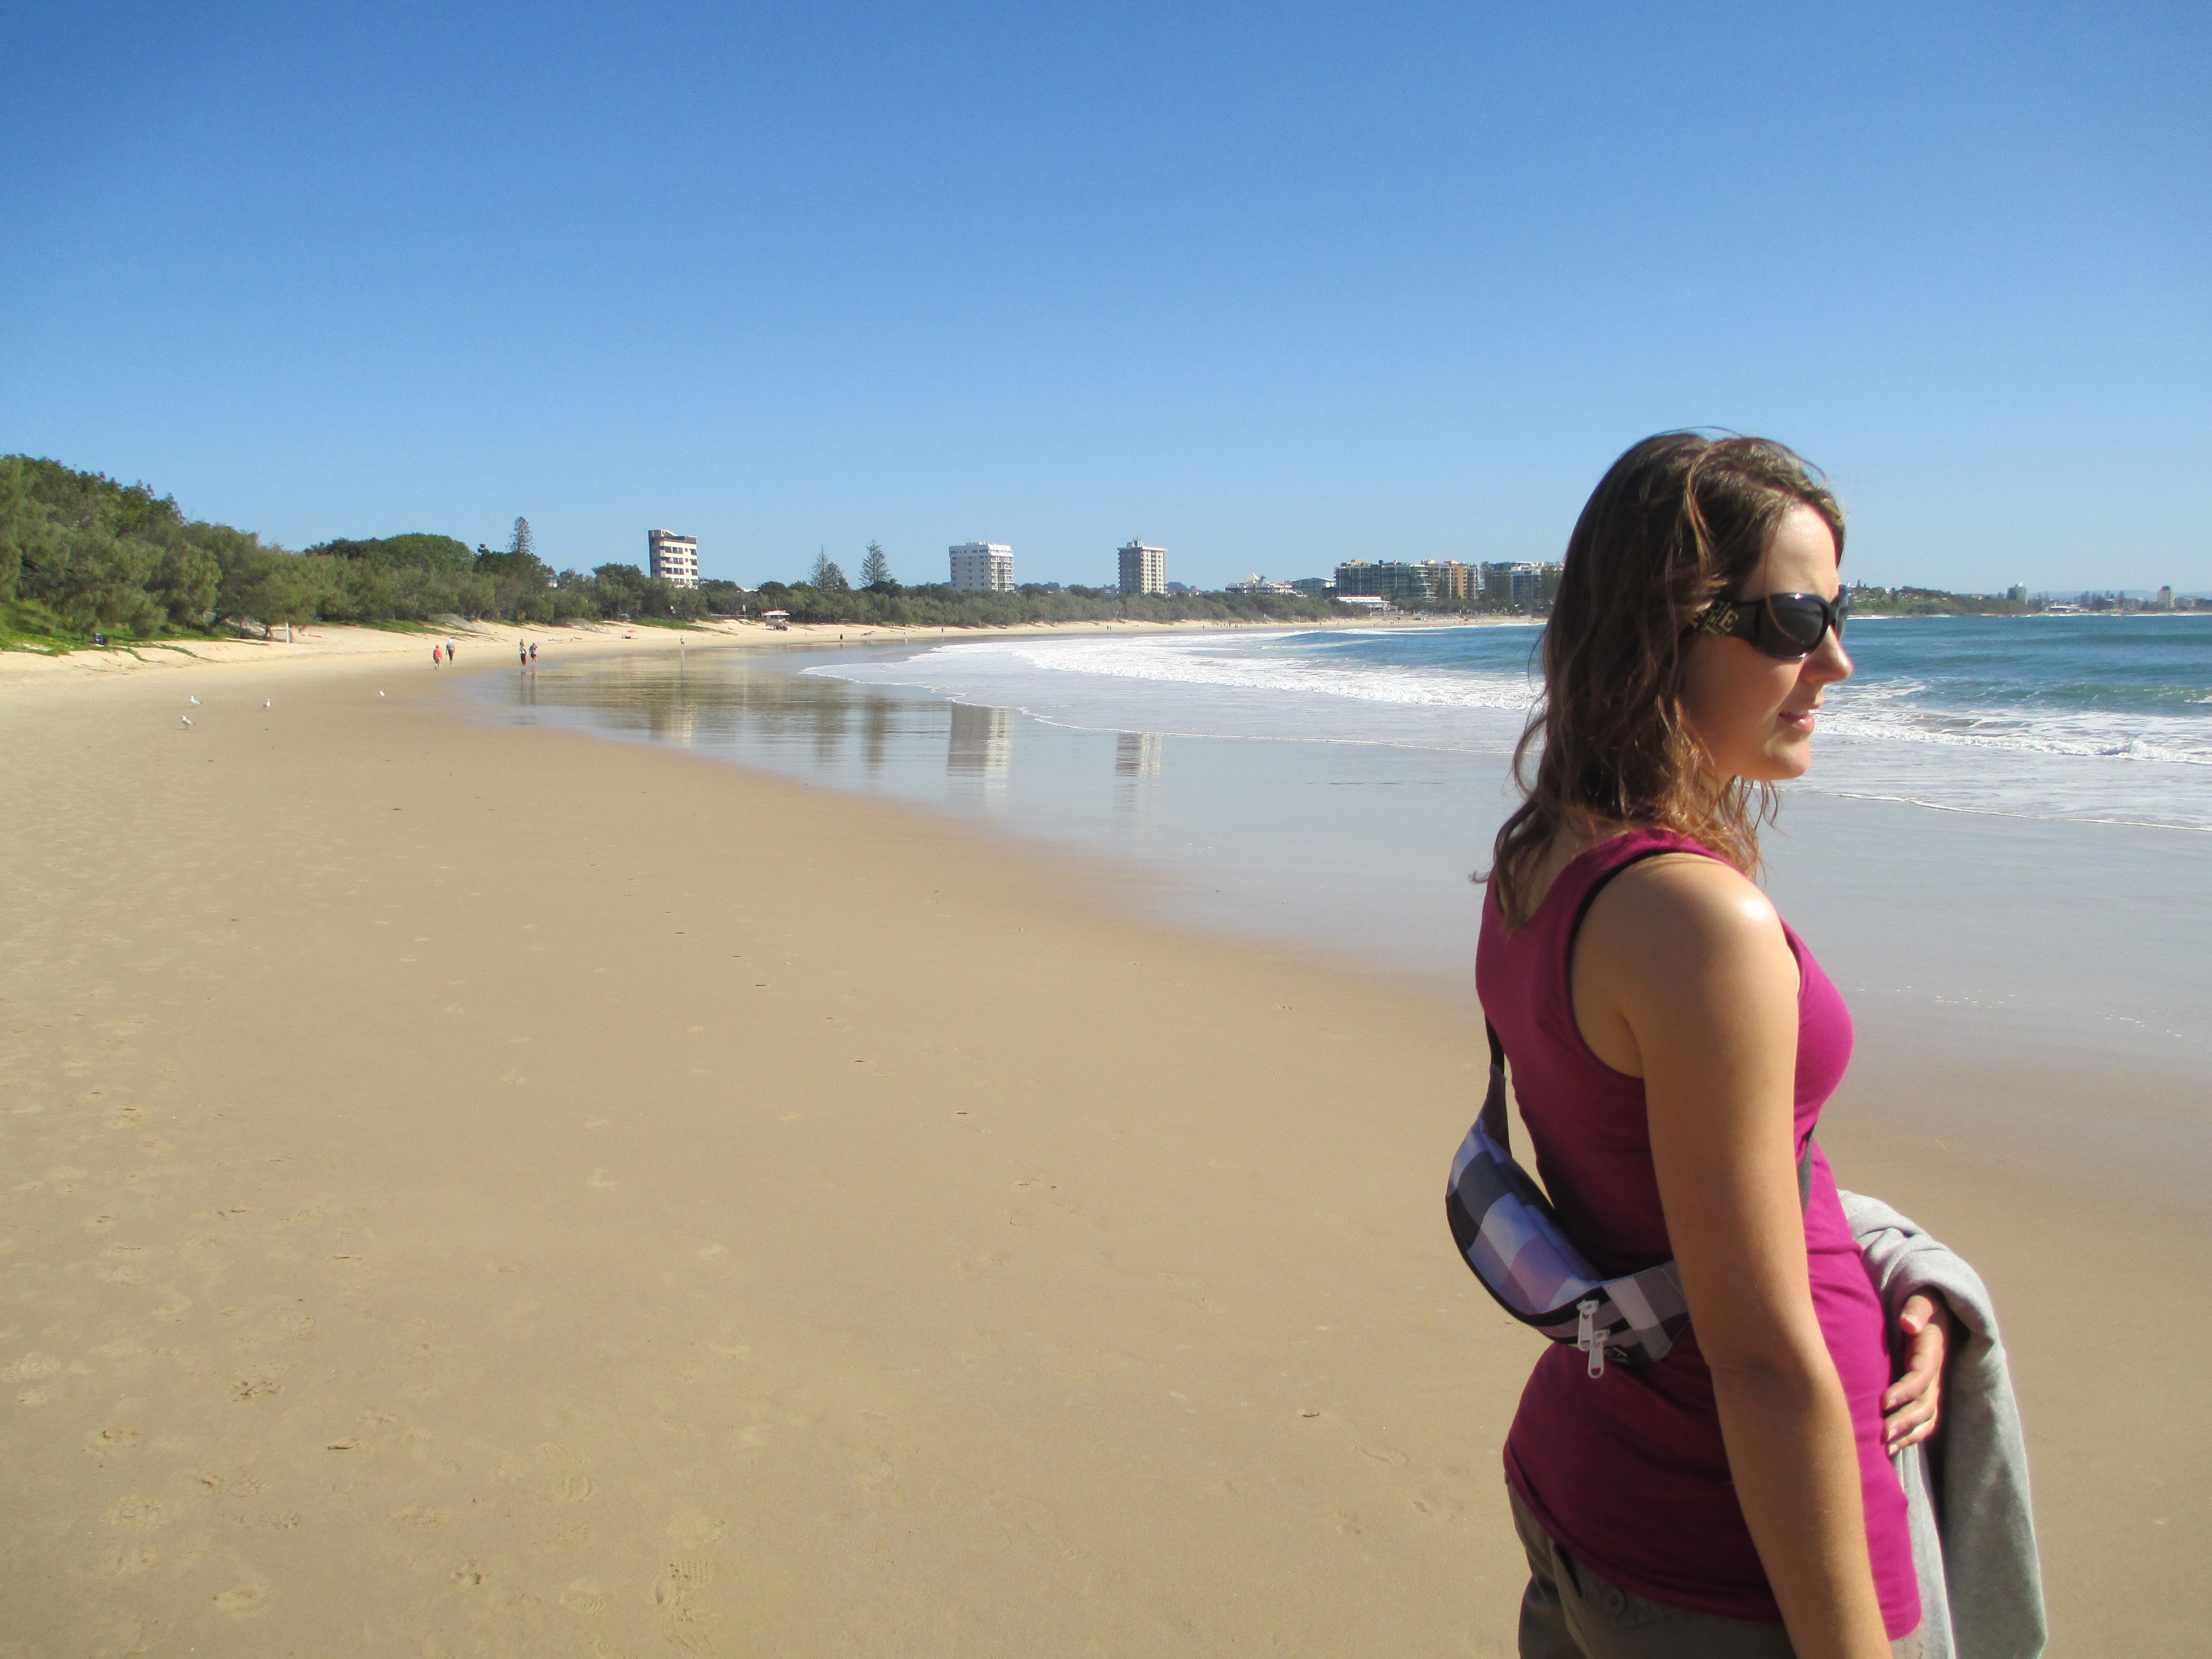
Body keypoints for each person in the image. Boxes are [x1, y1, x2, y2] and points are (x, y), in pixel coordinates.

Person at [1475, 433, 1947, 1659]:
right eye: (1793, 621)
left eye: (1838, 615)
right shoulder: (1693, 920)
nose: (1835, 662)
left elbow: (1665, 1190)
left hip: (1597, 1479)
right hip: (1733, 1553)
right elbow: (1758, 1359)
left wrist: (1891, 1276)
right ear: (1662, 630)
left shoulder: (1542, 854)